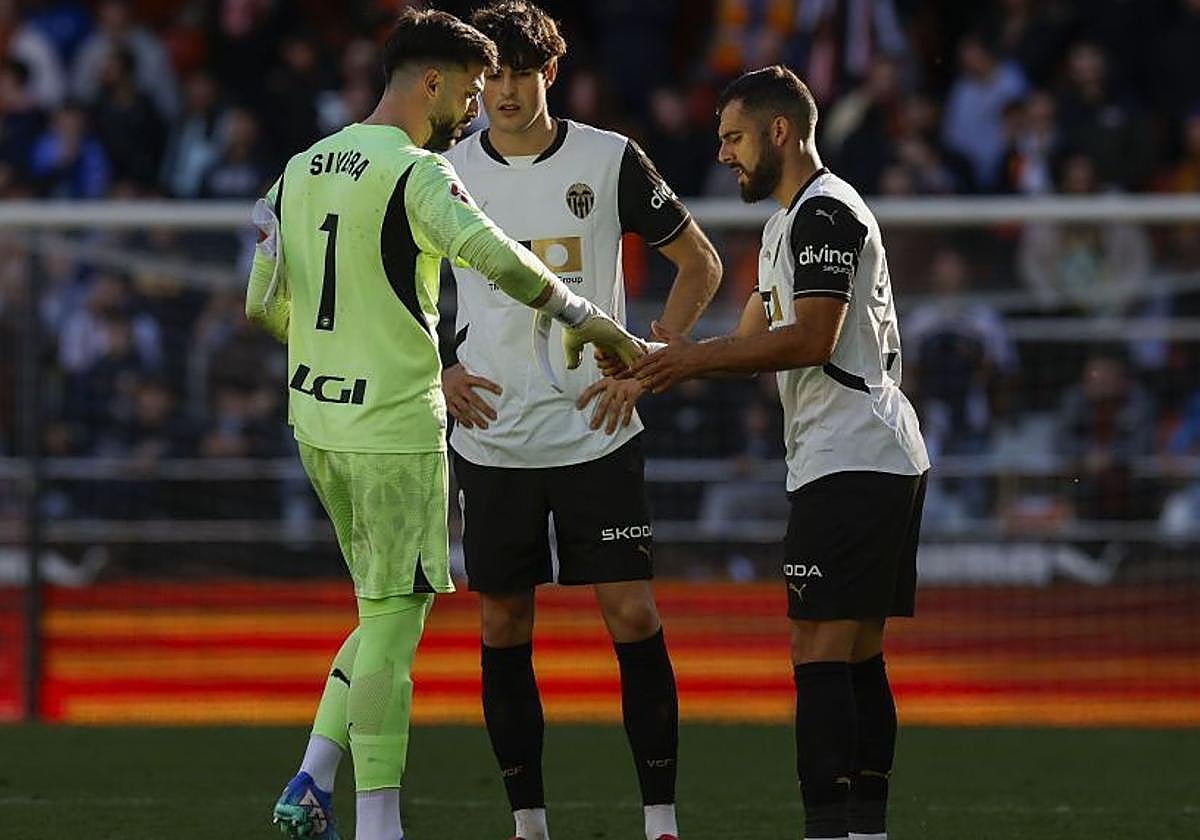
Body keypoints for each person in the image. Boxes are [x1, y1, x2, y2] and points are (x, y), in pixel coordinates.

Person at [243, 10, 645, 840]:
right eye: (467, 87)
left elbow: (260, 302)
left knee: (380, 608)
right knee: (394, 623)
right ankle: (377, 824)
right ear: (431, 81)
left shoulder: (300, 167)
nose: (473, 105)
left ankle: (312, 778)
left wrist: (334, 343)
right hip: (392, 431)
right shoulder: (417, 173)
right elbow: (494, 256)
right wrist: (587, 318)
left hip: (316, 423)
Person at [440, 5, 722, 839]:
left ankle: (661, 822)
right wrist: (438, 368)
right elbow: (396, 282)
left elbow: (699, 261)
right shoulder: (444, 170)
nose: (503, 92)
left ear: (549, 74)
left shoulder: (608, 159)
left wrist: (653, 358)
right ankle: (529, 826)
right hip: (491, 434)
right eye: (490, 76)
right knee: (502, 622)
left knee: (632, 615)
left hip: (596, 428)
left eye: (520, 75)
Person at [631, 65, 929, 840]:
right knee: (854, 651)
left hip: (856, 452)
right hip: (855, 454)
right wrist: (658, 355)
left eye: (733, 137)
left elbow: (808, 340)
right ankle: (864, 830)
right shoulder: (780, 227)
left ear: (780, 132)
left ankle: (831, 829)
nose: (725, 154)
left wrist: (692, 361)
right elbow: (752, 342)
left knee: (820, 648)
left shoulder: (826, 214)